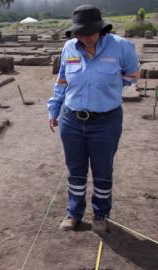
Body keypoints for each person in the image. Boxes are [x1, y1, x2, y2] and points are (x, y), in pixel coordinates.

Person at [47, 5, 139, 234]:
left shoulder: (121, 47)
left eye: (89, 32)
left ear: (100, 29)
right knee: (75, 170)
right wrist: (54, 110)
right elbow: (61, 82)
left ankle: (101, 215)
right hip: (72, 120)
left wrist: (107, 88)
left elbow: (132, 76)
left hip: (105, 121)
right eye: (80, 33)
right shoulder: (69, 47)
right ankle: (74, 213)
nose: (85, 37)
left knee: (102, 170)